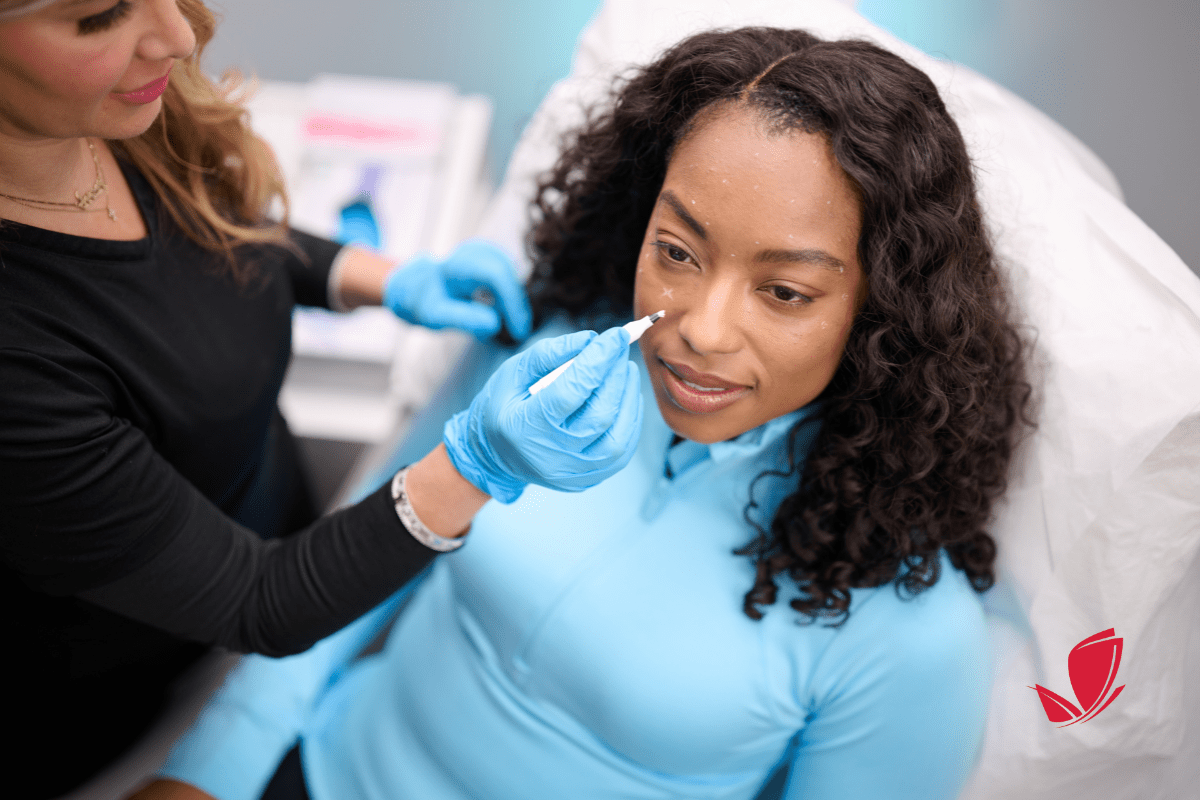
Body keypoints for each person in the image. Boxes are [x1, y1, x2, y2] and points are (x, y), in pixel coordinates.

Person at [138, 24, 1033, 800]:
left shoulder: (910, 626)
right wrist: (209, 772)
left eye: (786, 292)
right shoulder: (545, 374)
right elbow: (338, 584)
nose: (700, 331)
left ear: (882, 313)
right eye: (678, 250)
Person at [0, 1, 646, 796]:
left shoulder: (114, 117)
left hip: (280, 532)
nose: (176, 37)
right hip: (119, 682)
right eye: (99, 16)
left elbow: (215, 239)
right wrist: (479, 463)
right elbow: (258, 602)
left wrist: (385, 280)